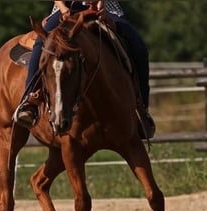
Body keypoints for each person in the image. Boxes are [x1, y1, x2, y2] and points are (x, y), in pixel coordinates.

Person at [14, 0, 155, 138]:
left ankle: (141, 108)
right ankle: (31, 99)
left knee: (139, 49)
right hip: (67, 7)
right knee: (41, 44)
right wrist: (63, 8)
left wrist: (101, 4)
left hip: (107, 7)